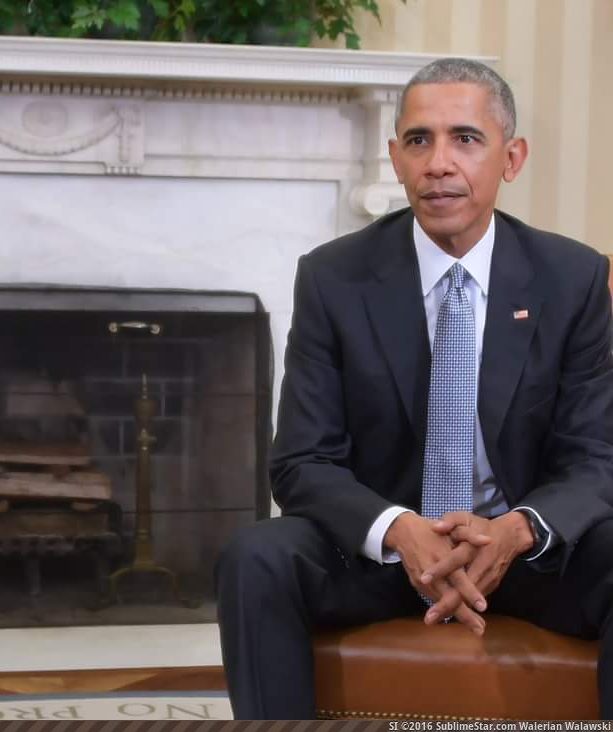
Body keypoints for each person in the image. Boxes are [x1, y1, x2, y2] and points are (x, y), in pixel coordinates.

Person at [216, 57, 613, 719]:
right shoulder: (333, 278)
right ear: (395, 159)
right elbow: (302, 462)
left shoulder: (570, 279)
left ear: (510, 158)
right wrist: (400, 530)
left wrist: (516, 532)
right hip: (379, 557)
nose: (438, 163)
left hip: (522, 557)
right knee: (255, 556)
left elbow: (596, 459)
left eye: (466, 138)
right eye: (419, 141)